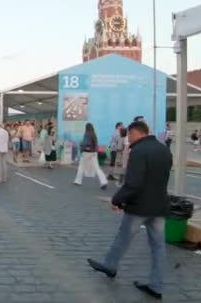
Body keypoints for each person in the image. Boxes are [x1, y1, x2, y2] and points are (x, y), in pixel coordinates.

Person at [87, 121, 172, 300]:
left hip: (139, 207)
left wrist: (117, 199)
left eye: (129, 135)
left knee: (123, 238)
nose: (128, 138)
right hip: (159, 206)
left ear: (135, 133)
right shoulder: (163, 149)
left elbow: (133, 183)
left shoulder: (139, 151)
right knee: (158, 246)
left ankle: (110, 266)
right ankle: (156, 286)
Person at [74, 122, 108, 189]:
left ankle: (78, 181)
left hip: (86, 152)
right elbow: (95, 144)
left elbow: (85, 143)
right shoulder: (94, 134)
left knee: (81, 166)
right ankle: (104, 181)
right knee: (97, 168)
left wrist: (82, 147)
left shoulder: (87, 134)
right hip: (94, 153)